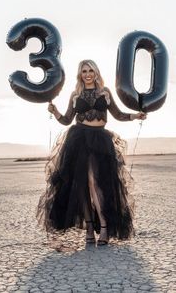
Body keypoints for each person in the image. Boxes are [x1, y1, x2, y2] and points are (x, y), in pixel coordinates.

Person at [36, 59, 147, 246]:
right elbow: (66, 120)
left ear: (96, 73)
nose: (87, 74)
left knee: (97, 183)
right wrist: (54, 111)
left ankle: (103, 226)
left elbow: (118, 115)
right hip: (78, 139)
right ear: (80, 74)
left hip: (100, 141)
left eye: (90, 70)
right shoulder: (75, 94)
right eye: (84, 71)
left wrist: (136, 116)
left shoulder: (105, 92)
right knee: (82, 184)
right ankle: (89, 227)